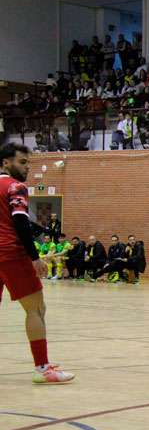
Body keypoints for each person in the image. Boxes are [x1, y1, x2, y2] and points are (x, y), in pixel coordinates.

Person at [0, 144, 74, 383]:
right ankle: (43, 369)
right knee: (36, 309)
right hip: (11, 253)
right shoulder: (15, 187)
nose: (27, 167)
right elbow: (20, 222)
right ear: (5, 163)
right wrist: (34, 257)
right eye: (22, 162)